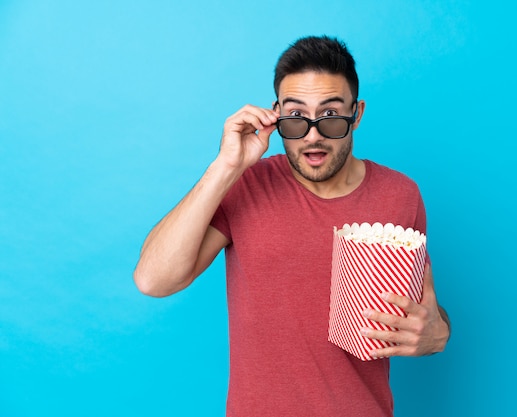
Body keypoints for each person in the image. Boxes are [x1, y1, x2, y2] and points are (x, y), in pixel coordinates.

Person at [134, 35, 450, 417]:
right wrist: (225, 168)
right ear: (276, 114)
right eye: (296, 117)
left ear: (357, 113)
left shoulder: (400, 195)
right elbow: (153, 280)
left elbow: (421, 309)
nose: (313, 136)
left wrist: (439, 332)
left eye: (331, 116)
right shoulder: (246, 184)